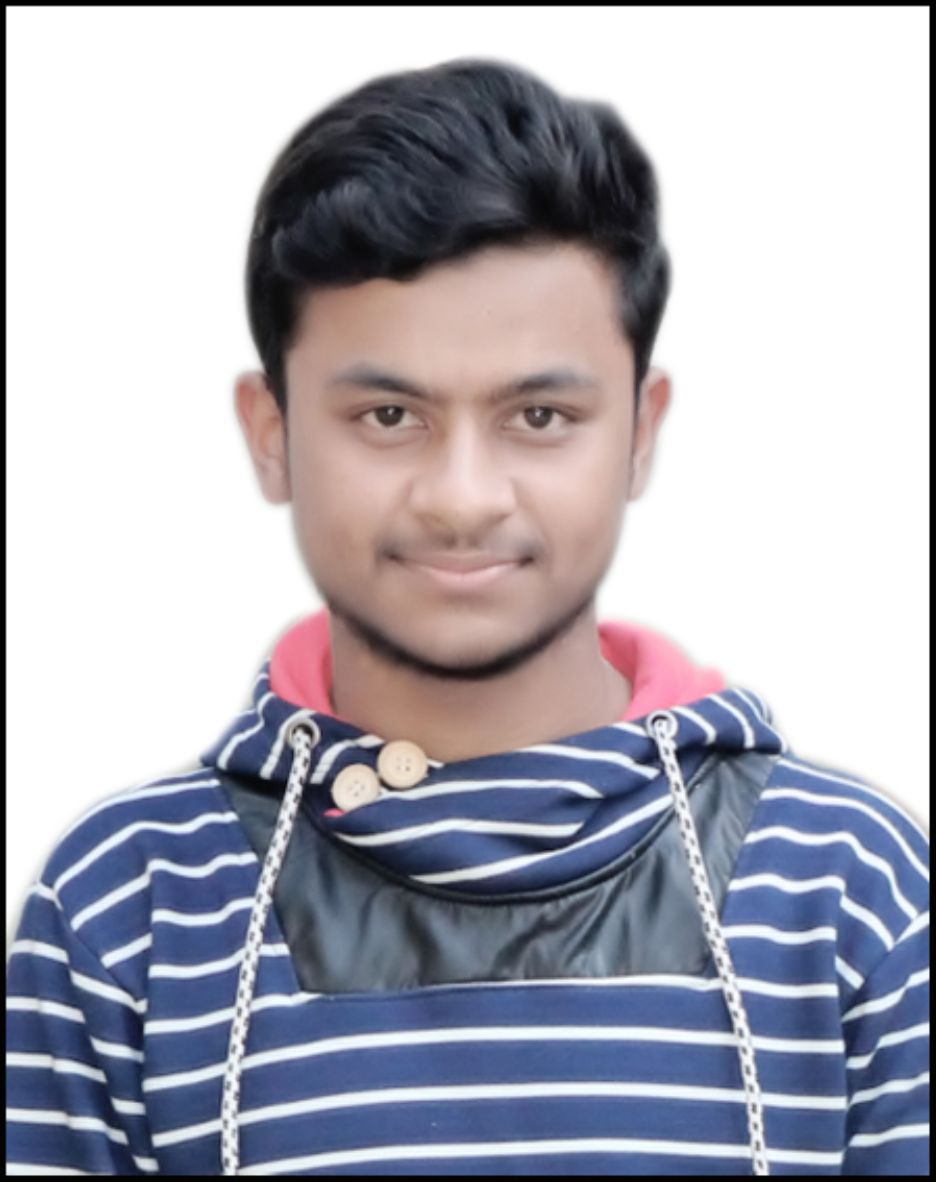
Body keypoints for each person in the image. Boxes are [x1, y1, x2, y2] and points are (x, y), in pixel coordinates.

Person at [6, 57, 929, 1177]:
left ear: (640, 432)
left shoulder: (849, 889)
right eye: (389, 414)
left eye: (538, 416)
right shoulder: (126, 907)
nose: (462, 497)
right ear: (272, 433)